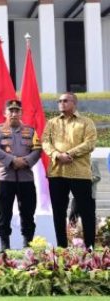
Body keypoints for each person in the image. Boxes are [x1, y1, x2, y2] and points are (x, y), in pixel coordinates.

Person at [43, 92, 98, 249]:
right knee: (58, 212)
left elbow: (90, 143)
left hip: (80, 173)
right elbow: (45, 142)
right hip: (57, 172)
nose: (61, 103)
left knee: (87, 211)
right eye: (59, 101)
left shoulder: (86, 122)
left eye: (65, 101)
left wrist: (68, 154)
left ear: (74, 103)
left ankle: (90, 247)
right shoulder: (52, 123)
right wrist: (57, 155)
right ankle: (61, 247)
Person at [0, 99, 41, 250]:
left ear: (21, 113)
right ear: (5, 113)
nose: (13, 113)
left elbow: (37, 149)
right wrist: (12, 161)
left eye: (17, 110)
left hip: (26, 178)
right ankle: (4, 246)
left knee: (28, 212)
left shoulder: (30, 131)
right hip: (6, 178)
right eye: (10, 111)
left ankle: (28, 245)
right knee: (4, 212)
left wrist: (25, 161)